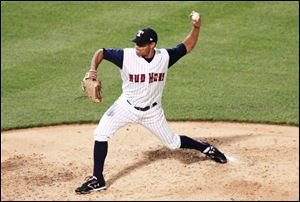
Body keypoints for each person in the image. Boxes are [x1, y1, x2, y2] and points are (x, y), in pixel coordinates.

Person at [75, 11, 227, 195]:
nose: (137, 48)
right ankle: (97, 179)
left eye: (141, 45)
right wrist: (93, 70)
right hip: (126, 106)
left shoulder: (164, 57)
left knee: (172, 142)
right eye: (136, 44)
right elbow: (101, 52)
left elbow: (187, 46)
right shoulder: (126, 56)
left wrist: (196, 27)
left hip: (152, 112)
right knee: (101, 133)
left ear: (152, 45)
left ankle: (206, 148)